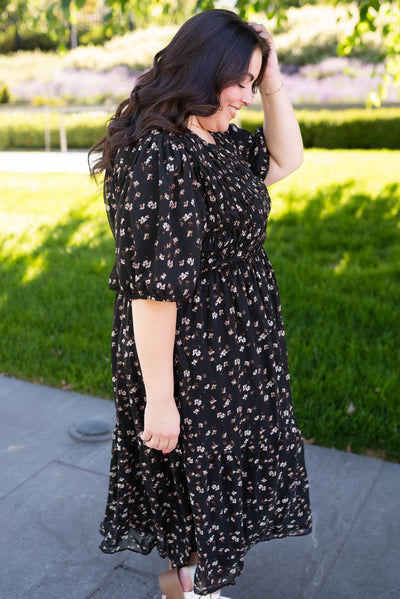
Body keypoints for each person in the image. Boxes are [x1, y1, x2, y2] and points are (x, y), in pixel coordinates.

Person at [89, 8, 312, 599]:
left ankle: (189, 581)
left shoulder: (211, 136)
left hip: (233, 338)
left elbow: (288, 161)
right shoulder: (161, 155)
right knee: (198, 474)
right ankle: (195, 585)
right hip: (192, 350)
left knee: (214, 474)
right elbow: (154, 292)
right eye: (239, 81)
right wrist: (159, 401)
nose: (245, 96)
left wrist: (272, 81)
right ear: (203, 68)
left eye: (252, 82)